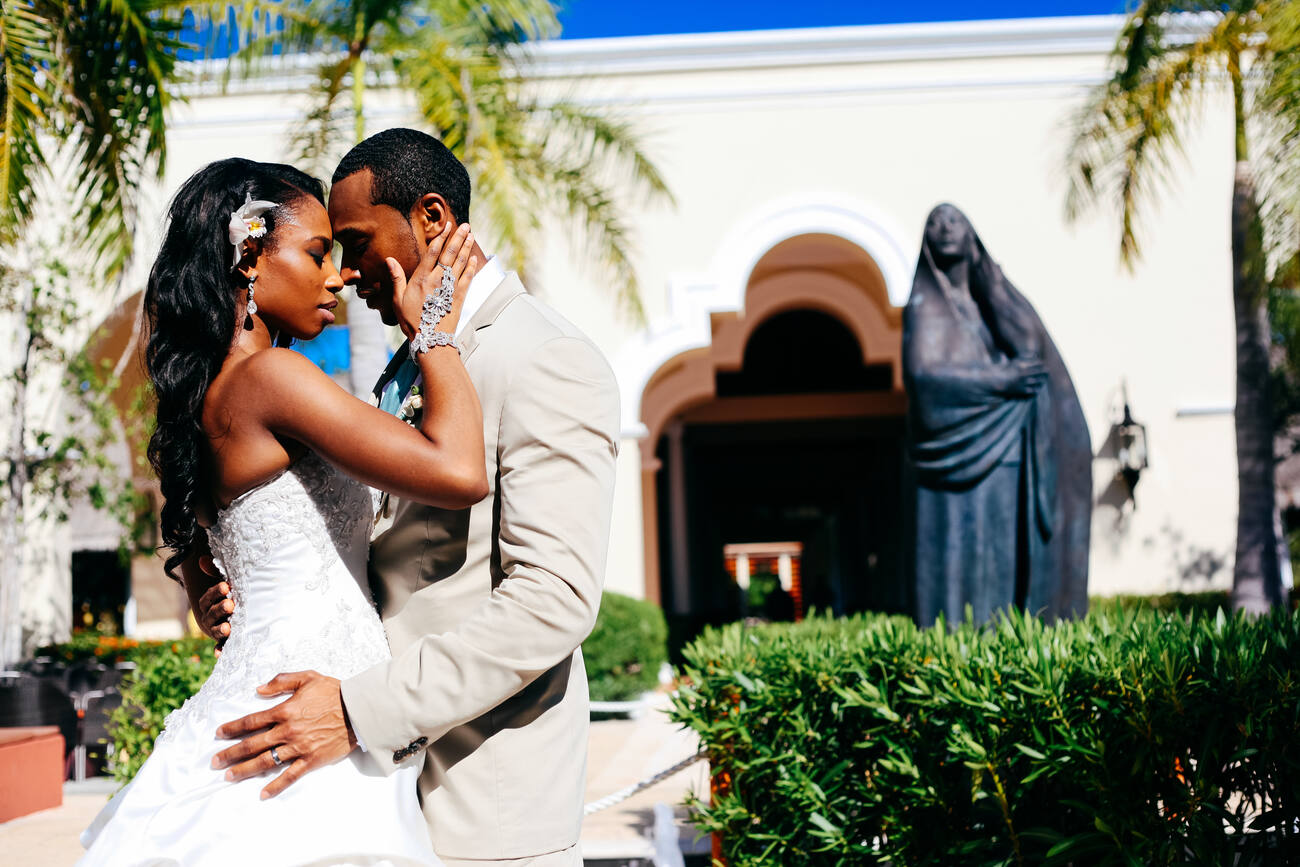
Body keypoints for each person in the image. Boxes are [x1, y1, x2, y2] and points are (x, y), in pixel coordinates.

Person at [195, 129, 622, 866]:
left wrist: (358, 712)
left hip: (480, 805)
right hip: (362, 792)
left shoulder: (543, 356)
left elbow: (553, 599)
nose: (346, 272)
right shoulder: (416, 354)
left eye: (355, 242)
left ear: (430, 217)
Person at [79, 157, 487, 866]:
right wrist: (436, 331)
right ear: (249, 258)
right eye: (317, 252)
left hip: (275, 694)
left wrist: (208, 589)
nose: (336, 277)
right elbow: (458, 472)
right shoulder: (273, 378)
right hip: (310, 706)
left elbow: (215, 568)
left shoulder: (207, 395)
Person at [903, 203, 1091, 626]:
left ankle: (1006, 651)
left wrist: (996, 286)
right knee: (961, 560)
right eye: (935, 221)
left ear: (973, 238)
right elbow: (924, 377)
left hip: (1008, 451)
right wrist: (999, 381)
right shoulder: (922, 304)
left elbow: (1030, 347)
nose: (944, 227)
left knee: (1003, 555)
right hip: (953, 455)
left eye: (955, 220)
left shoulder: (985, 302)